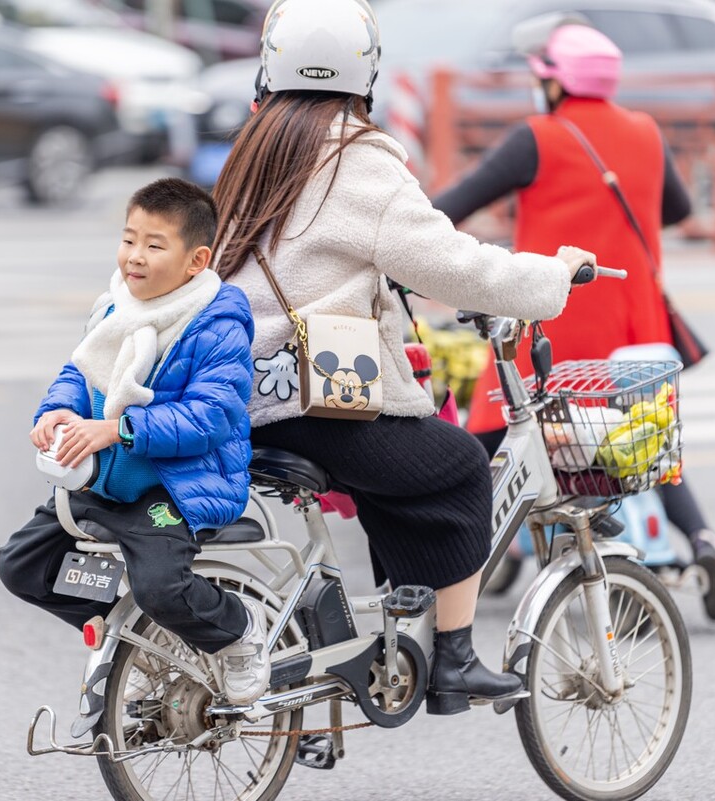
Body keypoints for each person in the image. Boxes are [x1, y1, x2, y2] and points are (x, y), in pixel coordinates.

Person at [212, 0, 597, 715]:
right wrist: (551, 276)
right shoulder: (356, 160)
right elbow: (455, 264)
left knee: (398, 470)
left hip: (243, 393)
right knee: (459, 466)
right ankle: (454, 661)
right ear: (365, 74)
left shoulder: (257, 149)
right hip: (318, 399)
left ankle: (393, 634)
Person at [432, 20, 715, 622]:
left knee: (487, 439)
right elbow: (678, 207)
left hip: (554, 326)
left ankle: (443, 563)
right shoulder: (645, 131)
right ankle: (703, 540)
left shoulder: (538, 137)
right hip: (634, 324)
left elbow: (450, 208)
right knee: (641, 442)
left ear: (553, 82)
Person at [0, 178, 272, 705]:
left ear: (196, 261)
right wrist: (57, 410)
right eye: (128, 239)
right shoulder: (114, 307)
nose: (135, 256)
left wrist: (119, 429)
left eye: (154, 244)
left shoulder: (217, 322)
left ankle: (238, 628)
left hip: (173, 485)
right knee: (22, 567)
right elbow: (80, 372)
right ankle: (142, 640)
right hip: (106, 476)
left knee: (161, 587)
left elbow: (212, 416)